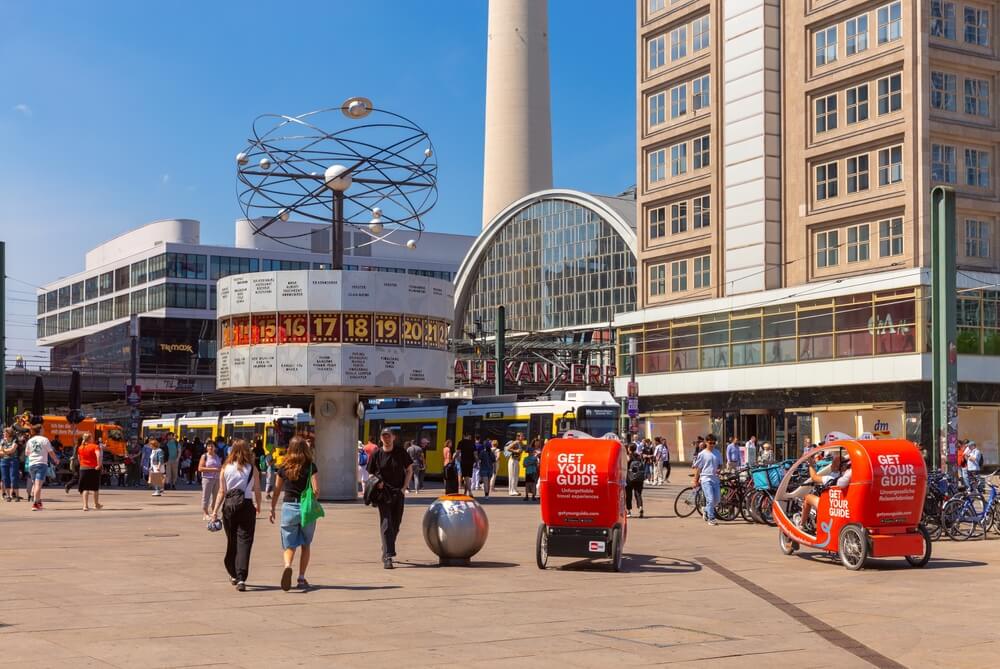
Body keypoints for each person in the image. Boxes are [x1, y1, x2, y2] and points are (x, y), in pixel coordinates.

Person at [269, 435, 319, 591]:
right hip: (306, 509)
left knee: (289, 544)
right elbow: (317, 490)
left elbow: (276, 491)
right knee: (306, 544)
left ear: (289, 449)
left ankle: (287, 566)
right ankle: (301, 578)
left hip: (288, 508)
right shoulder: (311, 466)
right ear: (305, 448)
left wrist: (272, 508)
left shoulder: (283, 467)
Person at [211, 439, 261, 591]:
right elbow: (257, 490)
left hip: (229, 507)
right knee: (244, 541)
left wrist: (214, 511)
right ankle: (241, 578)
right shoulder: (252, 468)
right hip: (246, 506)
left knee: (232, 540)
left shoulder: (225, 468)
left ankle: (232, 572)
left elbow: (221, 491)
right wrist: (258, 504)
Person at [366, 428, 413, 569]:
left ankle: (386, 546)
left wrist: (404, 488)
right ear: (380, 438)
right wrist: (376, 483)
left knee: (396, 524)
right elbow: (370, 474)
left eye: (388, 436)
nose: (386, 439)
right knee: (386, 522)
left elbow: (409, 469)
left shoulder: (400, 452)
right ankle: (388, 556)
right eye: (383, 436)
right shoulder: (376, 454)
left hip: (398, 493)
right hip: (383, 494)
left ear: (393, 437)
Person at [799, 451, 852, 532]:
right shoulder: (847, 477)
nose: (831, 465)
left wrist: (811, 465)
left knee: (807, 497)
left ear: (838, 467)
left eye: (833, 463)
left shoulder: (831, 478)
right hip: (843, 505)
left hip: (828, 505)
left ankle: (801, 525)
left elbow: (814, 477)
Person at [25, 425, 59, 511]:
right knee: (38, 485)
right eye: (43, 429)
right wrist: (56, 459)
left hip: (32, 464)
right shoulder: (44, 439)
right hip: (41, 463)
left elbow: (27, 453)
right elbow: (51, 452)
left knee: (35, 483)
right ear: (40, 430)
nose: (44, 430)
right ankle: (35, 504)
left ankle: (38, 501)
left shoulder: (30, 440)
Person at [691, 436, 722, 525]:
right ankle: (711, 518)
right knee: (710, 499)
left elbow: (720, 464)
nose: (712, 445)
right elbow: (698, 468)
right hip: (705, 479)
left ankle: (705, 509)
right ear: (706, 442)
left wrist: (719, 469)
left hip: (715, 479)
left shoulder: (717, 453)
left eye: (714, 443)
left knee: (717, 500)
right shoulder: (702, 454)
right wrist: (695, 480)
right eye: (710, 443)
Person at [76, 433, 103, 511]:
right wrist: (99, 465)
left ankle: (85, 506)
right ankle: (96, 504)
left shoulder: (80, 447)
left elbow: (79, 458)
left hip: (83, 469)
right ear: (90, 438)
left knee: (85, 488)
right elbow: (98, 455)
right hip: (93, 469)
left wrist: (82, 464)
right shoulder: (95, 446)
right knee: (95, 488)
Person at [198, 442, 222, 520]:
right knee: (206, 496)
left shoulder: (217, 457)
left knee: (215, 497)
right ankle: (205, 514)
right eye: (208, 446)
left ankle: (214, 513)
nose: (210, 448)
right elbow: (200, 468)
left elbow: (220, 467)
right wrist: (213, 469)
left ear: (215, 448)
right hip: (207, 479)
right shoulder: (204, 456)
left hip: (217, 479)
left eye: (212, 446)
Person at [1, 427, 21, 502]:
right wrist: (7, 451)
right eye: (3, 433)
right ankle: (8, 496)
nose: (3, 434)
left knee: (14, 478)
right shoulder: (2, 441)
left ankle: (16, 496)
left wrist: (4, 451)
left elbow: (12, 450)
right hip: (4, 461)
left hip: (13, 460)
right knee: (5, 478)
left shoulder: (15, 440)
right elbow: (0, 452)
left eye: (5, 432)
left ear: (9, 433)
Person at [456, 432, 478, 496]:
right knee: (467, 477)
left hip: (464, 461)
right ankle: (465, 493)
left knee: (466, 477)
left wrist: (454, 458)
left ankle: (470, 492)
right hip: (471, 462)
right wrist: (477, 462)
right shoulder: (472, 443)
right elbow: (475, 454)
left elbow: (457, 452)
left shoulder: (461, 442)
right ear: (469, 436)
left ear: (463, 436)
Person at [626, 449, 645, 518]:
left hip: (629, 478)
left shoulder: (628, 457)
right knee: (638, 494)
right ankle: (640, 508)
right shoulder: (639, 456)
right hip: (639, 478)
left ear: (629, 449)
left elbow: (625, 467)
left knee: (628, 495)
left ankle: (629, 511)